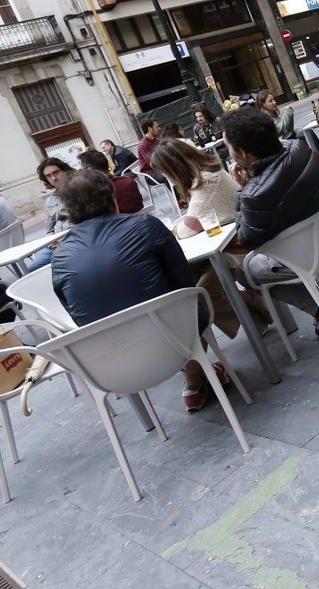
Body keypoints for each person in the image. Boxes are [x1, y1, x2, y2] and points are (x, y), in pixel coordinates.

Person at [51, 170, 232, 411]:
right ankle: (194, 376)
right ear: (111, 197)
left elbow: (76, 313)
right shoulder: (146, 225)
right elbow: (185, 284)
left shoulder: (60, 256)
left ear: (68, 210)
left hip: (113, 361)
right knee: (194, 296)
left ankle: (192, 386)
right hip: (171, 340)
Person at [222, 107, 319, 338]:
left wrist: (243, 190)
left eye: (228, 149)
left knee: (244, 271)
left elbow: (247, 239)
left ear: (243, 153)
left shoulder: (254, 195)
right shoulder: (301, 148)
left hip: (313, 258)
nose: (228, 154)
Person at [152, 139, 270, 341]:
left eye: (165, 172)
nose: (166, 178)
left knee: (201, 292)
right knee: (190, 279)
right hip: (234, 240)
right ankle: (258, 315)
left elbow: (187, 229)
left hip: (239, 247)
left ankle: (259, 312)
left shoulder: (206, 183)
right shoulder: (207, 173)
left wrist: (174, 230)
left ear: (174, 167)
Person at [22, 158, 74, 273]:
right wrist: (51, 241)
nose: (54, 178)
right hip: (54, 244)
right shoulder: (50, 200)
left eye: (56, 172)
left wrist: (64, 242)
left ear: (65, 171)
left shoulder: (79, 190)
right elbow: (49, 228)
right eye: (49, 176)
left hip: (73, 242)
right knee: (30, 270)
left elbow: (85, 222)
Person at [77, 149, 143, 214]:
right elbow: (140, 206)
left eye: (81, 170)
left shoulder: (94, 193)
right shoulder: (128, 181)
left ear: (89, 170)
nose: (81, 173)